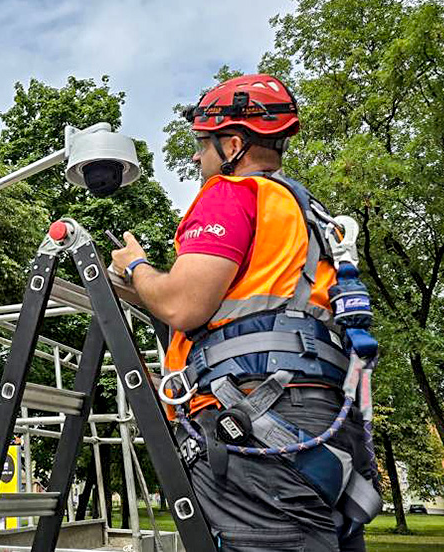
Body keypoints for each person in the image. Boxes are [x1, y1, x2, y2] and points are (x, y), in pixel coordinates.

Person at [111, 74, 378, 552]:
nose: (196, 157)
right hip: (314, 417)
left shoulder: (230, 194)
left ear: (232, 144)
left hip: (259, 421)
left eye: (202, 144)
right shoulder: (304, 212)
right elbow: (248, 310)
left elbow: (182, 304)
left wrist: (135, 267)